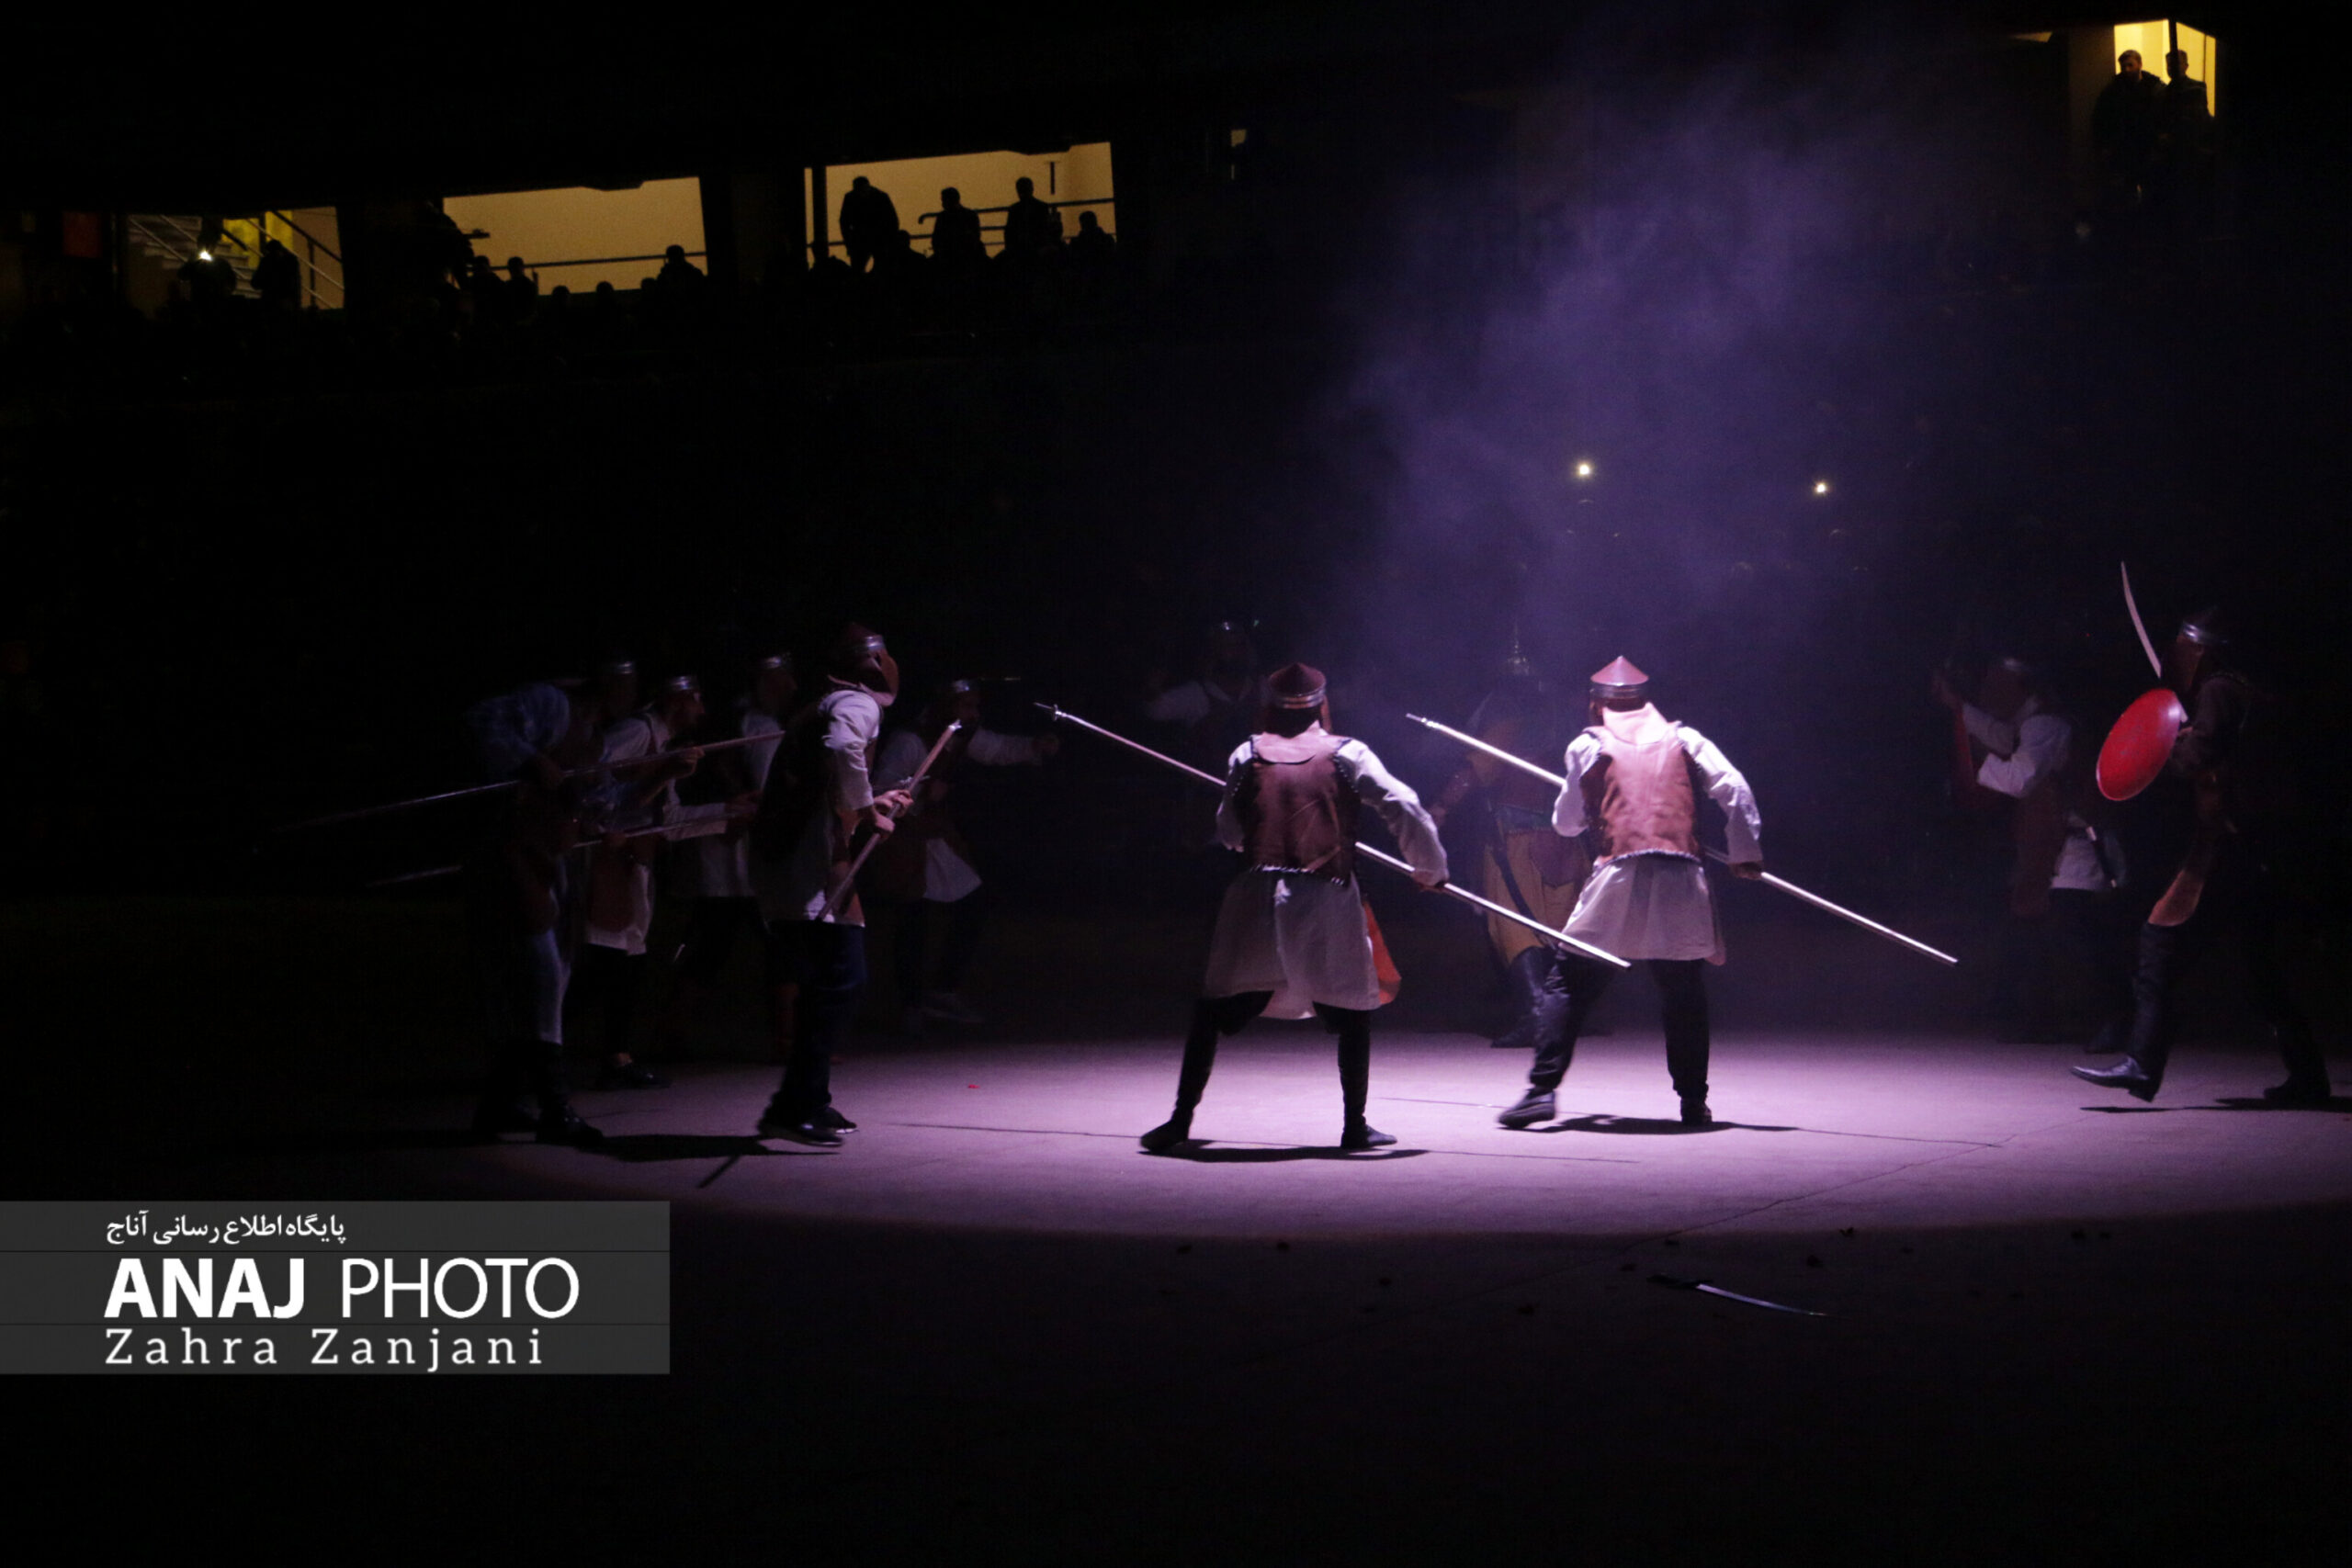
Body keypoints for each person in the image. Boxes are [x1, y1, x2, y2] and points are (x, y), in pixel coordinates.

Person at [1139, 662, 1448, 1153]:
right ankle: (1354, 1127)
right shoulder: (1349, 752)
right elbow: (1403, 803)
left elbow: (1230, 833)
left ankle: (1179, 1122)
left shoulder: (1246, 753)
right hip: (1327, 895)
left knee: (1217, 1008)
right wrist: (1429, 868)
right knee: (1350, 1009)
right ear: (1322, 706)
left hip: (1258, 895)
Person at [2074, 610, 2328, 1104]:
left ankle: (2142, 1063)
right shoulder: (2247, 694)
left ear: (2201, 651)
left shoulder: (2218, 690)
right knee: (2261, 971)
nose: (2174, 656)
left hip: (2224, 848)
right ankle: (2309, 1076)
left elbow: (2198, 758)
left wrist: (2167, 748)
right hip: (2255, 850)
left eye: (2182, 648)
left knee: (2158, 945)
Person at [1497, 658, 1763, 1130]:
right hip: (1681, 876)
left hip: (1618, 875)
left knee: (1568, 984)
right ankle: (1693, 1102)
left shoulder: (1587, 745)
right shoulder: (1687, 739)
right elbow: (1735, 789)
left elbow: (1566, 824)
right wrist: (1745, 852)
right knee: (1682, 990)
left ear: (1596, 705)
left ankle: (1541, 1091)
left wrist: (1587, 810)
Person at [459, 658, 641, 1145]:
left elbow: (603, 801)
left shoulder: (595, 738)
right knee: (540, 978)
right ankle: (555, 1106)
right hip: (511, 856)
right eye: (627, 682)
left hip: (552, 861)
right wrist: (530, 759)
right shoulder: (552, 704)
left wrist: (661, 775)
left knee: (549, 979)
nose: (632, 693)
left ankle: (501, 1102)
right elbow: (482, 720)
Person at [748, 626, 912, 1145]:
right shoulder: (856, 704)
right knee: (843, 978)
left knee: (828, 981)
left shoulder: (824, 704)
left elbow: (825, 772)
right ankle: (796, 1104)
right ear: (874, 664)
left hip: (800, 856)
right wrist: (865, 811)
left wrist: (869, 800)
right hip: (808, 862)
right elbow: (843, 747)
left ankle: (807, 1100)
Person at [1933, 655, 2129, 1042]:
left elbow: (2020, 778)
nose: (1989, 691)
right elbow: (2005, 737)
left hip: (2076, 845)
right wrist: (1960, 708)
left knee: (2077, 934)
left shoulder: (2045, 724)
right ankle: (2046, 1017)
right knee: (2042, 931)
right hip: (2052, 845)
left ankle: (2116, 1016)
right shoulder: (2034, 722)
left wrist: (1975, 769)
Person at [568, 674, 738, 1089]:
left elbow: (669, 822)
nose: (702, 710)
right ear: (677, 700)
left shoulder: (665, 746)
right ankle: (540, 1057)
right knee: (600, 967)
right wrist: (659, 777)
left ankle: (617, 1057)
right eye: (696, 699)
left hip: (636, 865)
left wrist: (730, 812)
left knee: (629, 963)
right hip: (606, 862)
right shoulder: (636, 732)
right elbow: (588, 787)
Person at [869, 678, 1058, 1032]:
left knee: (974, 903)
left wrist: (1033, 746)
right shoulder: (909, 741)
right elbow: (883, 787)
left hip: (936, 836)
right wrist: (923, 790)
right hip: (906, 837)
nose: (973, 713)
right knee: (913, 919)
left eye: (975, 706)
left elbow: (996, 748)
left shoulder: (961, 735)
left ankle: (943, 990)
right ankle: (911, 1003)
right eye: (966, 705)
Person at [1430, 649, 1588, 1050]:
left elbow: (1476, 769)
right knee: (1558, 927)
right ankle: (1559, 1012)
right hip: (1566, 836)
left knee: (1517, 928)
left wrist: (1442, 806)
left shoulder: (1509, 719)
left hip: (1519, 840)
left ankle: (1537, 1013)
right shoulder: (1570, 721)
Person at [658, 652, 794, 1057]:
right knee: (774, 943)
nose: (790, 687)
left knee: (715, 945)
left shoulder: (734, 722)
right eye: (781, 678)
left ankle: (674, 1033)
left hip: (722, 856)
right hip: (739, 856)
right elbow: (768, 793)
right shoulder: (759, 728)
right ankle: (787, 1039)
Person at [2091, 49, 2165, 210]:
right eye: (2124, 66)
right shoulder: (2114, 91)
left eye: (2130, 65)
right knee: (2128, 192)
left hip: (2145, 147)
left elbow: (2164, 117)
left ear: (2140, 64)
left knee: (2146, 190)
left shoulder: (2154, 89)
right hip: (2126, 148)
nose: (2127, 70)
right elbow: (2101, 119)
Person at [838, 177, 899, 274]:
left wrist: (849, 242)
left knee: (861, 268)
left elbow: (844, 222)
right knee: (879, 267)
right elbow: (893, 220)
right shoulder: (881, 197)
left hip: (871, 238)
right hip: (872, 238)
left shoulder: (851, 198)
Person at [1000, 176, 1062, 263]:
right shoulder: (1042, 207)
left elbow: (1009, 232)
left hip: (1020, 250)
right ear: (1032, 189)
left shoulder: (1014, 209)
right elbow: (1045, 230)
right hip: (1037, 248)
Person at [929, 188, 986, 268]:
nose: (943, 204)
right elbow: (936, 239)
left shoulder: (968, 216)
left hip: (964, 254)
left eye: (944, 200)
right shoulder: (943, 217)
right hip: (948, 254)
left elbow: (974, 237)